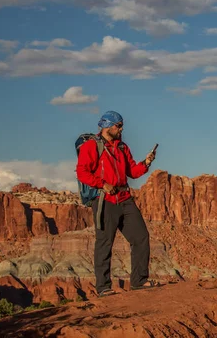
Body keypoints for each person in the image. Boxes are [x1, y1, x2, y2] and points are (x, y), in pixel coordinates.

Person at [76, 110, 156, 297]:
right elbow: (82, 173)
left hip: (124, 199)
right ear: (107, 126)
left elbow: (133, 172)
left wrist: (146, 162)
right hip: (104, 200)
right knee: (105, 243)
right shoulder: (90, 147)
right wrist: (102, 184)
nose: (121, 129)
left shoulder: (122, 147)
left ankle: (139, 281)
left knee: (141, 237)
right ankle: (103, 287)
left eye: (121, 125)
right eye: (118, 125)